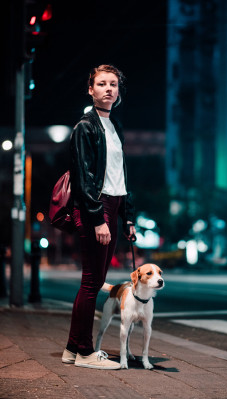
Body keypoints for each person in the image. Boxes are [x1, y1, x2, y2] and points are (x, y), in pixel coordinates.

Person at [61, 64, 136, 370]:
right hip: (96, 207)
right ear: (91, 90)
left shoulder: (114, 127)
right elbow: (82, 178)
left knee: (95, 280)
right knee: (92, 283)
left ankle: (71, 350)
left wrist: (128, 217)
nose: (108, 88)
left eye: (113, 84)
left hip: (114, 206)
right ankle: (85, 352)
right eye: (102, 84)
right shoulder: (85, 127)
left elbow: (120, 176)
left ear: (119, 92)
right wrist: (97, 218)